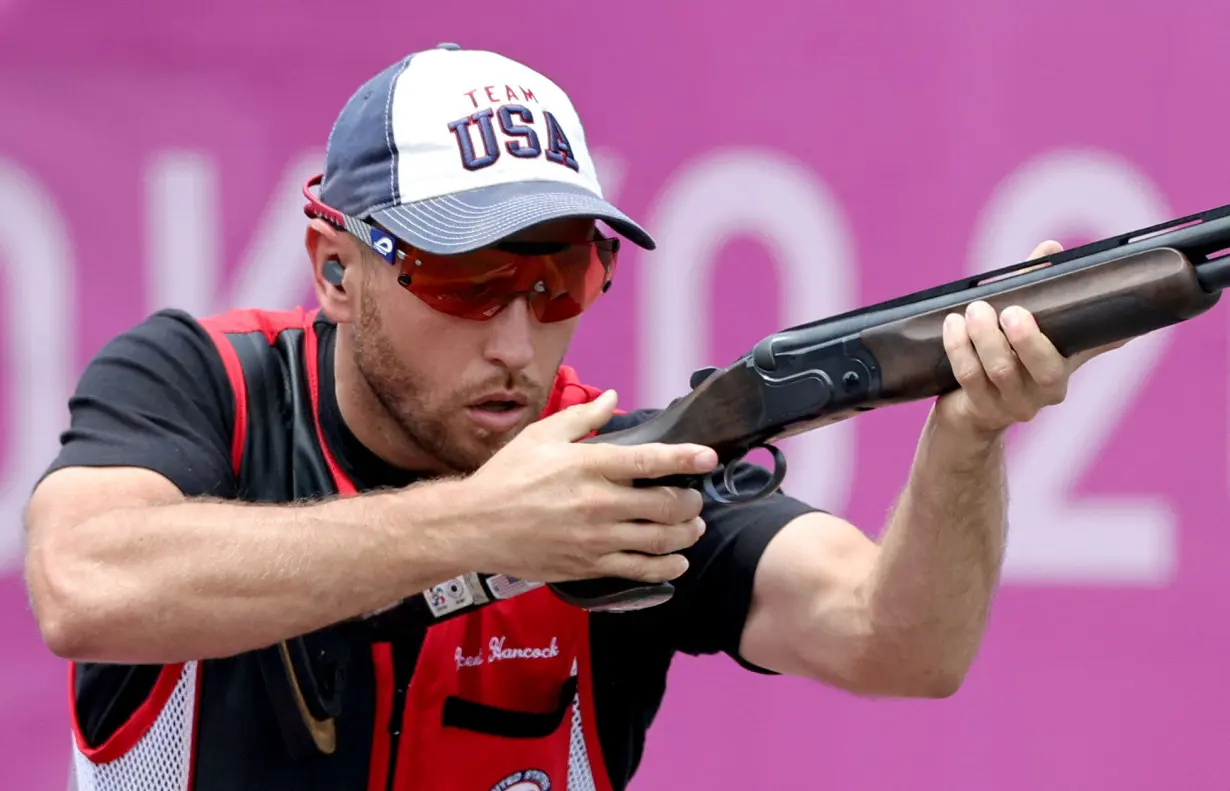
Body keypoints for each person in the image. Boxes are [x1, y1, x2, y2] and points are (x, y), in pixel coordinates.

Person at [22, 43, 1120, 791]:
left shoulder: (619, 477)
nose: (514, 340)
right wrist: (484, 528)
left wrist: (969, 434)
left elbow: (900, 641)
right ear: (335, 268)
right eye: (465, 281)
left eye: (556, 279)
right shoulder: (203, 382)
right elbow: (87, 584)